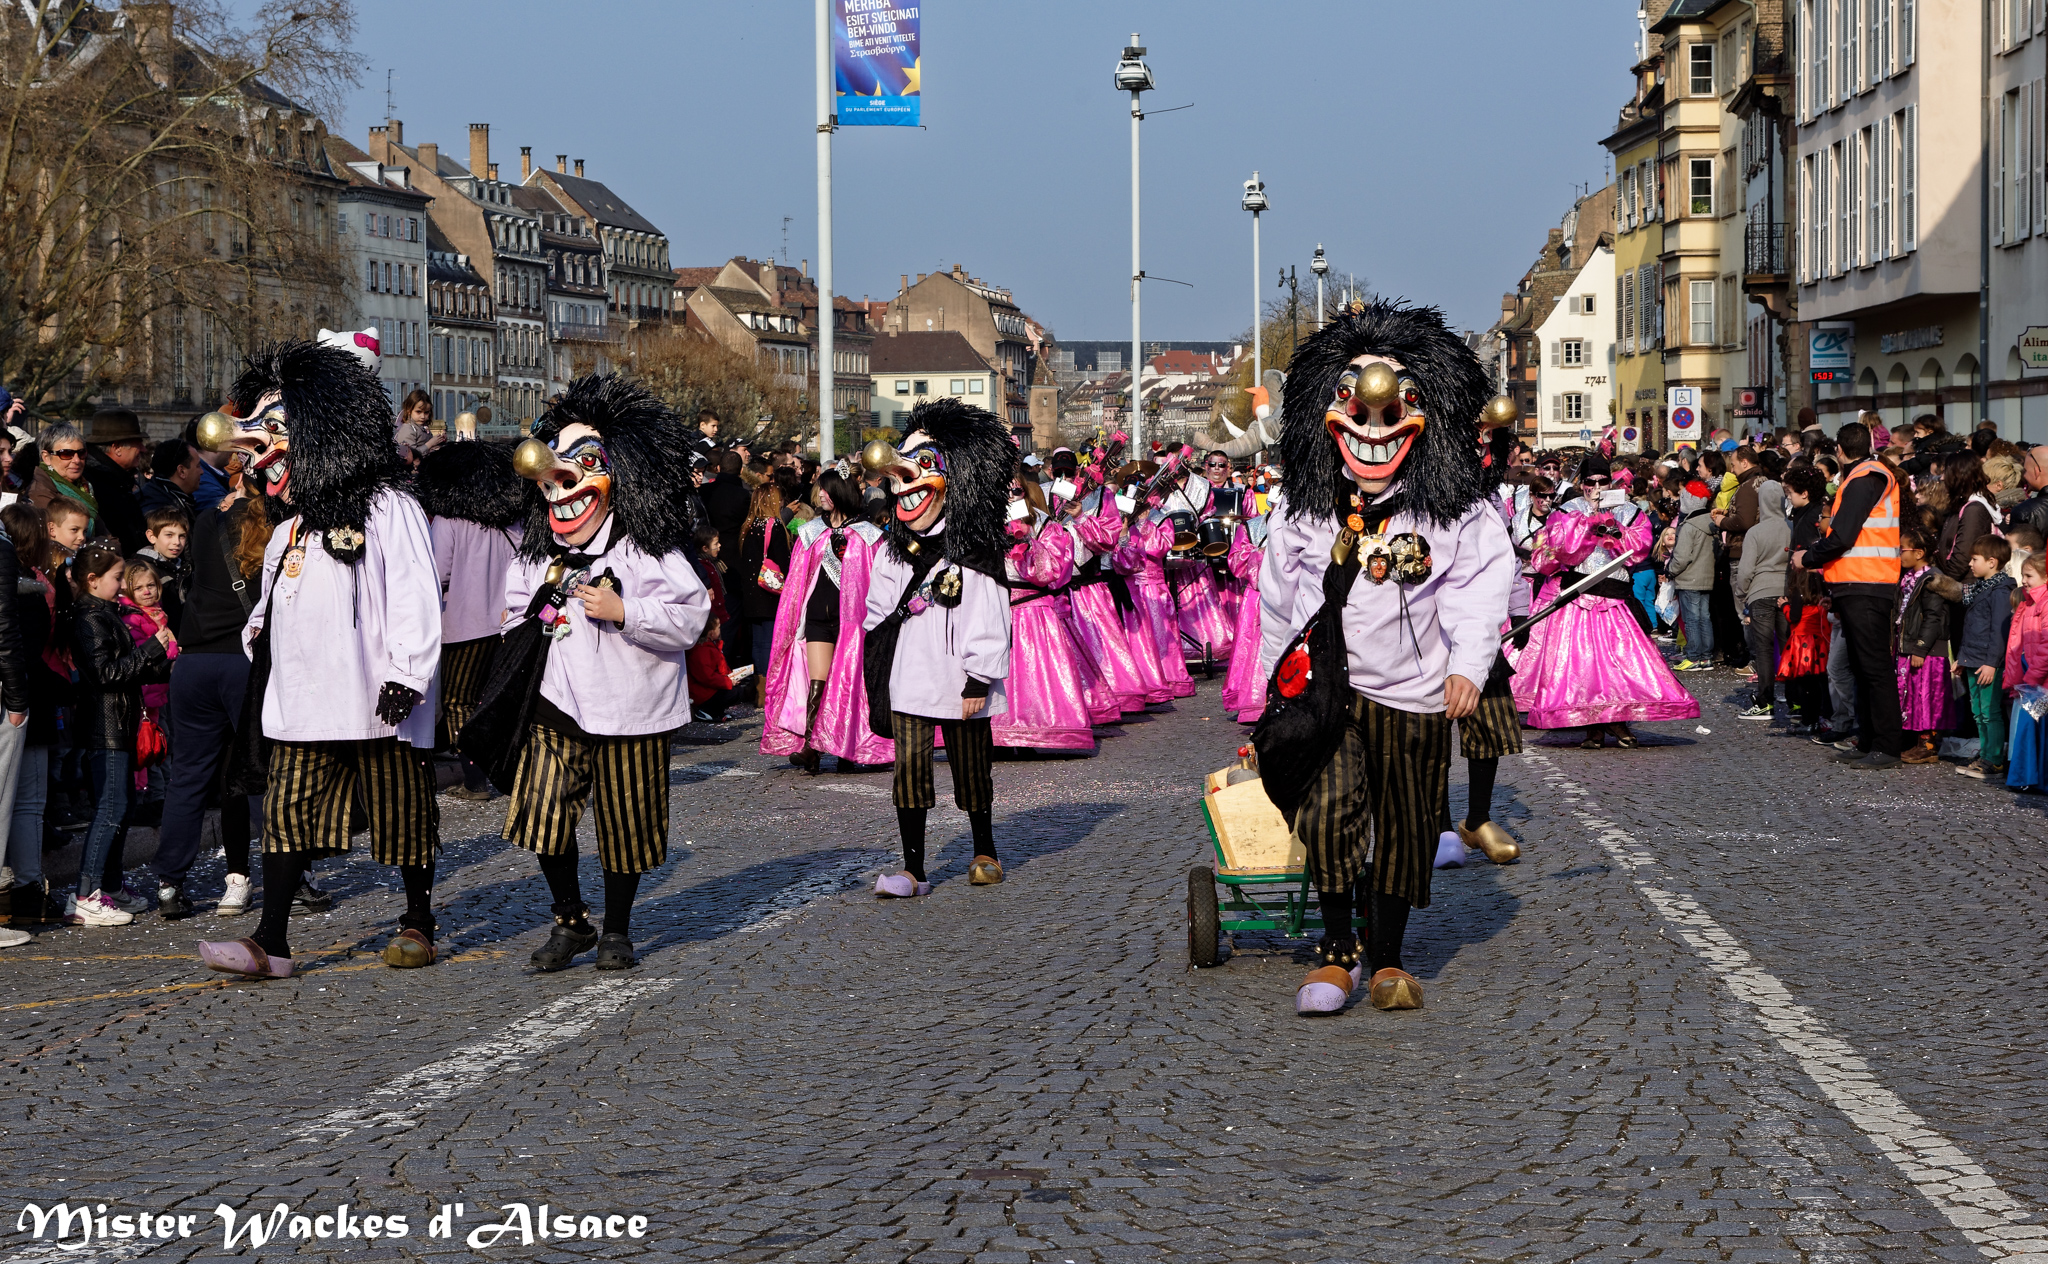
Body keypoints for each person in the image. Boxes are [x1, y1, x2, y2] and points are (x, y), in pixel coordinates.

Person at [1254, 299, 1514, 1016]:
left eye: (1393, 409)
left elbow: (1479, 587)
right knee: (1329, 814)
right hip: (1325, 695)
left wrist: (1467, 663)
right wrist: (1266, 699)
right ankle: (1337, 951)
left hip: (1416, 692)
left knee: (1404, 824)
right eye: (1355, 409)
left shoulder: (1456, 509)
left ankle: (1390, 957)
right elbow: (1279, 605)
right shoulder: (1302, 509)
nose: (1374, 428)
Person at [194, 335, 444, 979]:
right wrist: (260, 641)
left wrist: (408, 674)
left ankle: (418, 917)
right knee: (288, 816)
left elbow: (417, 594)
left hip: (378, 703)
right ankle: (270, 939)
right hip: (303, 705)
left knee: (403, 814)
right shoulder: (289, 527)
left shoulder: (391, 507)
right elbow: (267, 610)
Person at [482, 374, 711, 974]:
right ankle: (570, 919)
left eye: (576, 470)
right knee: (542, 816)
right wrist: (531, 621)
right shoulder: (537, 555)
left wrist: (625, 611)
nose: (560, 490)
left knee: (625, 822)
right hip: (557, 702)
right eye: (551, 479)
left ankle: (616, 930)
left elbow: (692, 616)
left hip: (632, 708)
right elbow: (512, 610)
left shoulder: (649, 549)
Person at [861, 398, 1015, 896]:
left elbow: (989, 617)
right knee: (909, 773)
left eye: (921, 472)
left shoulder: (974, 551)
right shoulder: (892, 551)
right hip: (911, 679)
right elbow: (876, 615)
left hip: (962, 682)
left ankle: (984, 851)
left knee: (973, 770)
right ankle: (914, 869)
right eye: (899, 478)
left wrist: (978, 676)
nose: (907, 489)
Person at [1514, 453, 1700, 748]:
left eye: (1602, 481)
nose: (1596, 488)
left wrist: (1613, 527)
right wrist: (1587, 526)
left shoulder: (1628, 510)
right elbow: (1560, 552)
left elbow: (1639, 549)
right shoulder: (1567, 510)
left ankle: (1617, 721)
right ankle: (1594, 729)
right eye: (1590, 482)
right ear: (1581, 483)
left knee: (1621, 665)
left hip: (1614, 597)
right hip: (1579, 598)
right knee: (1583, 666)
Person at [148, 488, 267, 921]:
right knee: (258, 771)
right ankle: (290, 871)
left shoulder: (205, 521)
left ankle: (169, 883)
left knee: (189, 778)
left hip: (194, 662)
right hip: (241, 661)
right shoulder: (273, 529)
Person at [68, 542, 172, 926]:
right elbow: (106, 674)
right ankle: (86, 892)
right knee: (110, 809)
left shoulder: (108, 613)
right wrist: (149, 651)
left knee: (122, 808)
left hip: (121, 722)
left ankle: (109, 885)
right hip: (105, 727)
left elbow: (128, 670)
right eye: (116, 578)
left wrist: (160, 660)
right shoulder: (89, 618)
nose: (121, 584)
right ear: (93, 581)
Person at [416, 439, 525, 801]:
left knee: (459, 702)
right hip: (505, 623)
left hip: (464, 626)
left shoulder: (449, 521)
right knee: (487, 700)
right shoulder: (510, 522)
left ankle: (475, 778)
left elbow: (436, 573)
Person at [760, 469, 891, 772]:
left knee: (850, 683)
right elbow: (797, 583)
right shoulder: (811, 532)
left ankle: (849, 749)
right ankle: (811, 747)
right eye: (819, 489)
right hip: (818, 619)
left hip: (855, 626)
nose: (819, 495)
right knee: (816, 683)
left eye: (825, 490)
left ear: (840, 492)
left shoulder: (869, 536)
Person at [1796, 421, 1907, 768]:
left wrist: (1809, 557)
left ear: (1840, 452)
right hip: (1859, 582)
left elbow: (1843, 536)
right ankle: (1870, 739)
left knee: (1873, 668)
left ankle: (1887, 746)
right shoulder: (1869, 474)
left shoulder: (1864, 478)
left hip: (1867, 583)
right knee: (1862, 668)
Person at [2, 504, 61, 931]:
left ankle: (23, 892)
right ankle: (25, 891)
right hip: (22, 698)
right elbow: (13, 641)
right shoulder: (27, 590)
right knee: (24, 802)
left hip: (22, 694)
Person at [1955, 536, 2016, 780]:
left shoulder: (2001, 591)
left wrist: (1992, 663)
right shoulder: (1983, 588)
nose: (1970, 563)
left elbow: (1999, 632)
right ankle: (1985, 753)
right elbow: (1971, 627)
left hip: (1987, 663)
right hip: (1973, 658)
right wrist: (1962, 657)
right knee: (1978, 711)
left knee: (1990, 712)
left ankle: (1994, 759)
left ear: (1992, 562)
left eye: (1975, 559)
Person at [1893, 529, 1951, 765]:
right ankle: (1913, 741)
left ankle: (1927, 745)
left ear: (1919, 553)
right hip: (1908, 647)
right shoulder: (1909, 577)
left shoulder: (1932, 580)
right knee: (1912, 697)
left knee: (1927, 697)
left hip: (1927, 651)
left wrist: (1920, 648)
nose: (1899, 554)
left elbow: (1933, 617)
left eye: (1902, 550)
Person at [1733, 479, 1790, 718]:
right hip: (1786, 593)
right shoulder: (1792, 527)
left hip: (1761, 593)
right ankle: (1796, 700)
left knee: (1764, 650)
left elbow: (1746, 570)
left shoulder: (1755, 532)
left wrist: (1741, 592)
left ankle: (1765, 701)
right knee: (1790, 647)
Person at [735, 477, 791, 704]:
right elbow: (784, 561)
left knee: (758, 641)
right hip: (769, 592)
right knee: (769, 640)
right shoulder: (774, 526)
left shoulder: (748, 526)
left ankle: (760, 690)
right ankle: (769, 690)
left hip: (751, 591)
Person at [2003, 552, 2048, 791]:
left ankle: (2030, 779)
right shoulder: (2029, 603)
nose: (2024, 581)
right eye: (2022, 575)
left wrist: (2032, 677)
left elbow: (2046, 646)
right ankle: (2028, 778)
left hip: (2039, 680)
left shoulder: (2044, 604)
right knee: (2029, 731)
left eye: (2029, 576)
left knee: (2033, 731)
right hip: (2031, 677)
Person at [80, 409, 151, 554]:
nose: (143, 449)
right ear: (117, 448)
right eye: (138, 443)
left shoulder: (116, 478)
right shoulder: (95, 482)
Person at [1667, 478, 1719, 671]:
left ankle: (1694, 657)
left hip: (1689, 578)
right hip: (1707, 577)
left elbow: (1681, 557)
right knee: (1705, 617)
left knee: (1691, 619)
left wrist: (1670, 571)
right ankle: (1706, 657)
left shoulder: (1689, 526)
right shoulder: (1711, 523)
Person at [26, 421, 96, 532]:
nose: (77, 460)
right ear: (46, 457)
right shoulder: (40, 492)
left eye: (81, 453)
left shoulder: (84, 486)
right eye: (66, 454)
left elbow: (105, 532)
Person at [135, 508, 190, 628]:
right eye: (169, 535)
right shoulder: (143, 569)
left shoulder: (184, 567)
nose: (177, 542)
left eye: (182, 536)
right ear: (151, 536)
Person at [138, 438, 201, 526]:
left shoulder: (173, 496)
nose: (202, 472)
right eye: (198, 466)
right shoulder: (158, 508)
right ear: (181, 471)